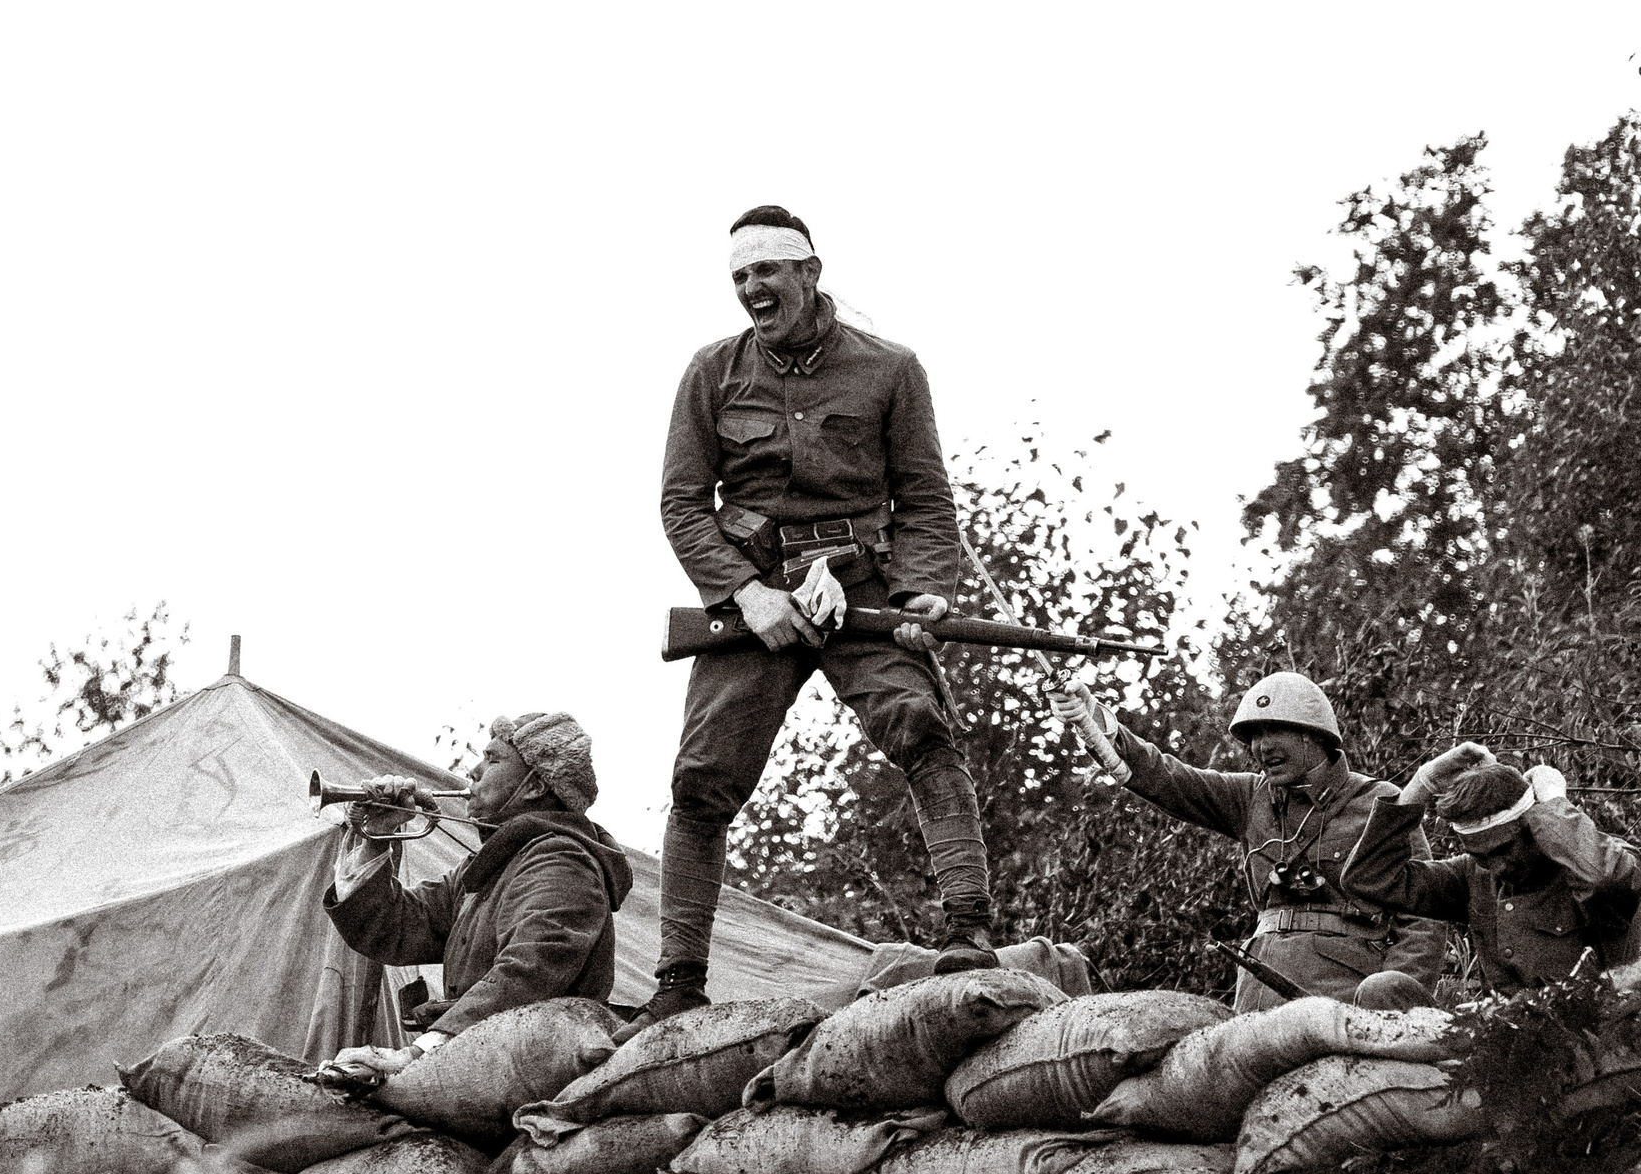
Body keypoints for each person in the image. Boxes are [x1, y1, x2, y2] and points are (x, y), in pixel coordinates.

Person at [638, 203, 990, 1034]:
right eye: (739, 276)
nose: (751, 288)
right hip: (756, 598)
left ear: (809, 272)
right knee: (701, 780)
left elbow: (926, 498)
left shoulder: (891, 368)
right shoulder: (710, 371)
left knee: (919, 726)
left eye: (766, 271)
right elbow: (682, 503)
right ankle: (679, 980)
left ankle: (969, 932)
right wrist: (746, 594)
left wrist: (921, 591)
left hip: (863, 589)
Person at [1049, 670, 1445, 1009]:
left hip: (1342, 997)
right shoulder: (1250, 797)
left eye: (1274, 730)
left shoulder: (1379, 802)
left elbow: (1424, 917)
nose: (1261, 746)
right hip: (1257, 993)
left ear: (1313, 735)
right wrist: (1093, 719)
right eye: (1255, 735)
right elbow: (1166, 778)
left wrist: (1392, 1000)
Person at [317, 712, 632, 1082]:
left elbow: (528, 974)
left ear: (534, 786)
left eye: (493, 759)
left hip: (535, 1078)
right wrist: (377, 836)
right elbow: (392, 928)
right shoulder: (492, 868)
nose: (475, 771)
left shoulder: (561, 862)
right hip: (485, 1064)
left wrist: (419, 1054)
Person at [1338, 744, 1640, 1001]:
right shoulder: (1473, 875)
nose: (1497, 867)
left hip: (1591, 1038)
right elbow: (1367, 879)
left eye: (1503, 849)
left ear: (1534, 826)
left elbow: (1604, 881)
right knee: (1384, 989)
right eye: (1480, 855)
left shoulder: (1596, 858)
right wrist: (1423, 783)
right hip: (1498, 1039)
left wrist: (1553, 803)